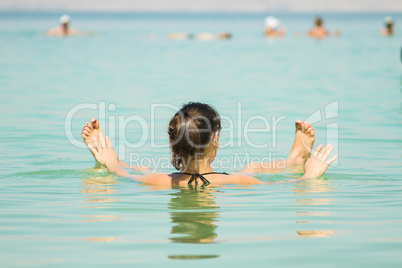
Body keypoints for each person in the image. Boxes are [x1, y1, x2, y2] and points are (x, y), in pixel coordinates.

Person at [81, 102, 337, 186]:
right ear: (215, 138)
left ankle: (293, 160)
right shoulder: (237, 181)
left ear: (173, 142)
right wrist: (309, 175)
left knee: (140, 168)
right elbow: (286, 187)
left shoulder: (158, 181)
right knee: (252, 166)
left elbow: (121, 173)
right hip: (223, 179)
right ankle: (294, 162)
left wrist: (108, 160)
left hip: (167, 178)